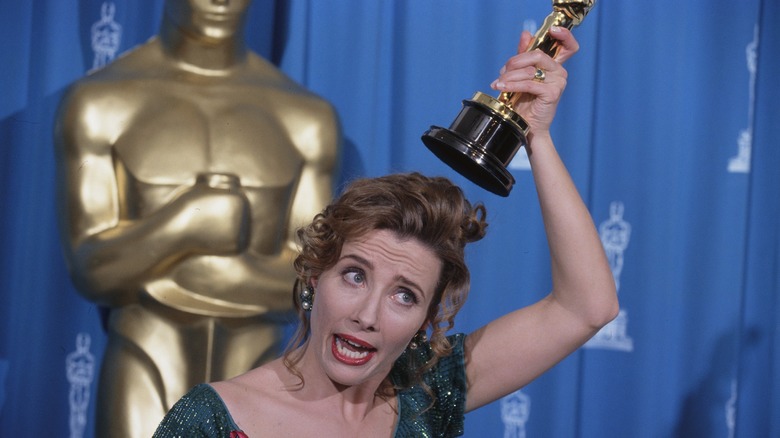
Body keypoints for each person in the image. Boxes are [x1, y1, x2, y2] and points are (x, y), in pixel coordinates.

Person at [153, 25, 618, 437]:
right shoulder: (210, 420)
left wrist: (535, 134)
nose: (368, 315)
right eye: (355, 275)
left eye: (405, 296)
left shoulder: (425, 396)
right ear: (315, 275)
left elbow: (587, 307)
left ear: (426, 320)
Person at [53, 0, 340, 436]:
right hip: (144, 362)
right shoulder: (99, 103)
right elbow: (90, 271)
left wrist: (203, 273)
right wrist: (186, 223)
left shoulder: (306, 119)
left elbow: (313, 282)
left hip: (259, 374)